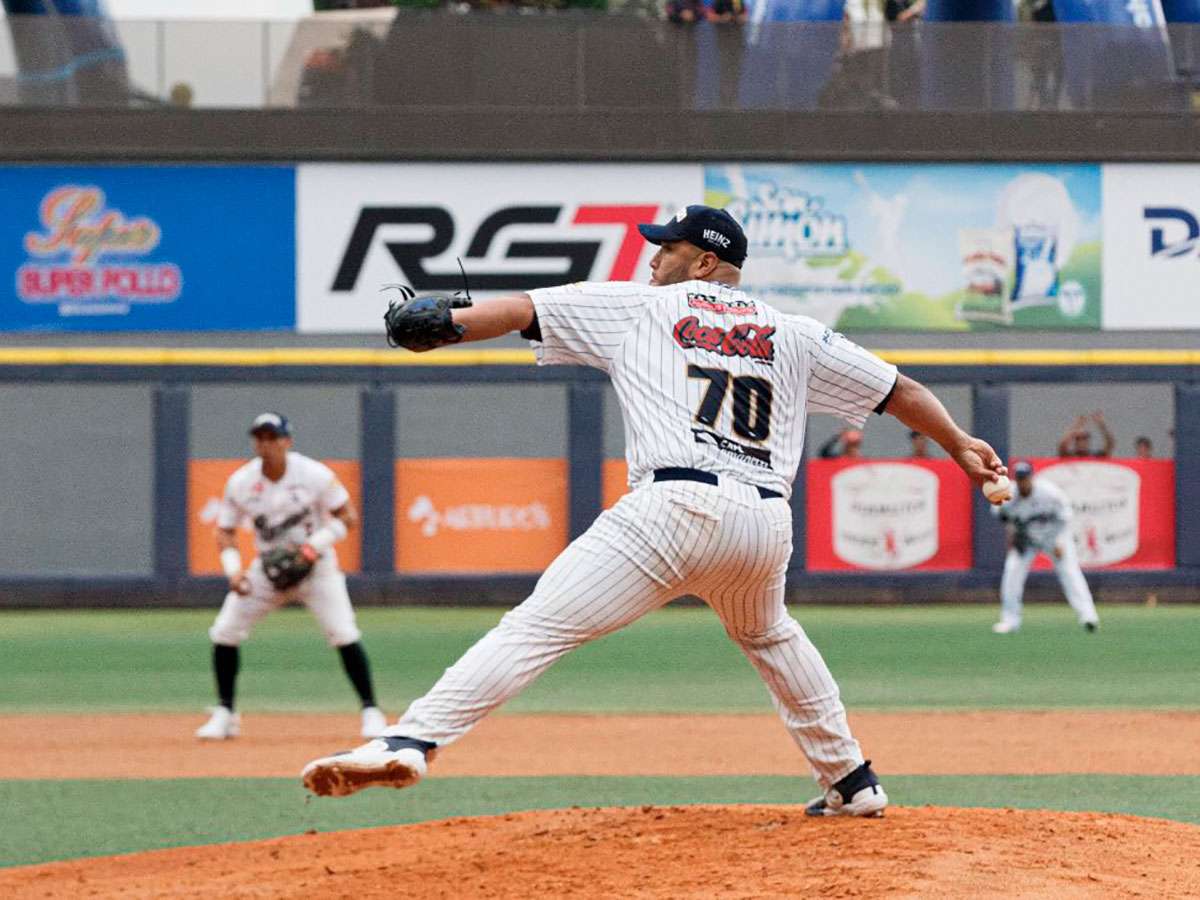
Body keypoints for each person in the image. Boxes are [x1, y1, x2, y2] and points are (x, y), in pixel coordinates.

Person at [301, 204, 1007, 818]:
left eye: (666, 248)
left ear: (704, 261)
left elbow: (520, 309)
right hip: (764, 525)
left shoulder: (642, 306)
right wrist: (962, 446)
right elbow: (902, 391)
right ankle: (852, 782)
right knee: (769, 636)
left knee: (539, 627)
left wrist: (450, 325)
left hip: (674, 509)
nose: (653, 255)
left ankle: (409, 741)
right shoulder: (793, 332)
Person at [195, 412, 386, 741]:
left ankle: (371, 711)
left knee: (343, 633)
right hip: (268, 569)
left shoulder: (313, 474)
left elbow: (347, 516)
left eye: (273, 437)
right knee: (225, 631)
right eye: (260, 437)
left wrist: (314, 547)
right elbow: (224, 531)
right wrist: (233, 570)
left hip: (318, 567)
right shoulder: (241, 482)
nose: (266, 444)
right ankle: (226, 713)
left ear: (287, 441)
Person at [991, 461, 1099, 635]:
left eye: (1025, 478)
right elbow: (1002, 516)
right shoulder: (1007, 495)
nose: (1022, 482)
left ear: (1032, 477)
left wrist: (1057, 541)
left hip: (1054, 536)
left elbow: (1065, 517)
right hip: (1026, 539)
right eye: (1019, 479)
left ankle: (1088, 616)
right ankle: (1010, 621)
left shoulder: (1049, 493)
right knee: (1012, 573)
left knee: (1070, 572)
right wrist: (1012, 532)